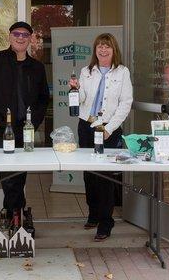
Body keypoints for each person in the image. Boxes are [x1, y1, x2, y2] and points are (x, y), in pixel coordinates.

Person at [0, 21, 49, 218]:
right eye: (16, 33)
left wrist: (35, 122)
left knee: (20, 174)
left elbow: (43, 98)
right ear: (9, 36)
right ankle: (15, 214)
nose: (20, 37)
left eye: (25, 35)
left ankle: (13, 216)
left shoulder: (37, 67)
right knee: (8, 175)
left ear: (30, 39)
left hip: (26, 130)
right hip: (2, 128)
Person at [69, 33, 133, 241]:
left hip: (108, 128)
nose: (103, 50)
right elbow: (83, 99)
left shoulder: (123, 72)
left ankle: (106, 222)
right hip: (87, 125)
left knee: (104, 175)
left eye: (107, 47)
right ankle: (94, 214)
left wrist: (110, 128)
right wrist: (75, 89)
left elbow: (125, 103)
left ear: (114, 50)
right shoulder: (86, 71)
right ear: (95, 50)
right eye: (99, 46)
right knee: (89, 173)